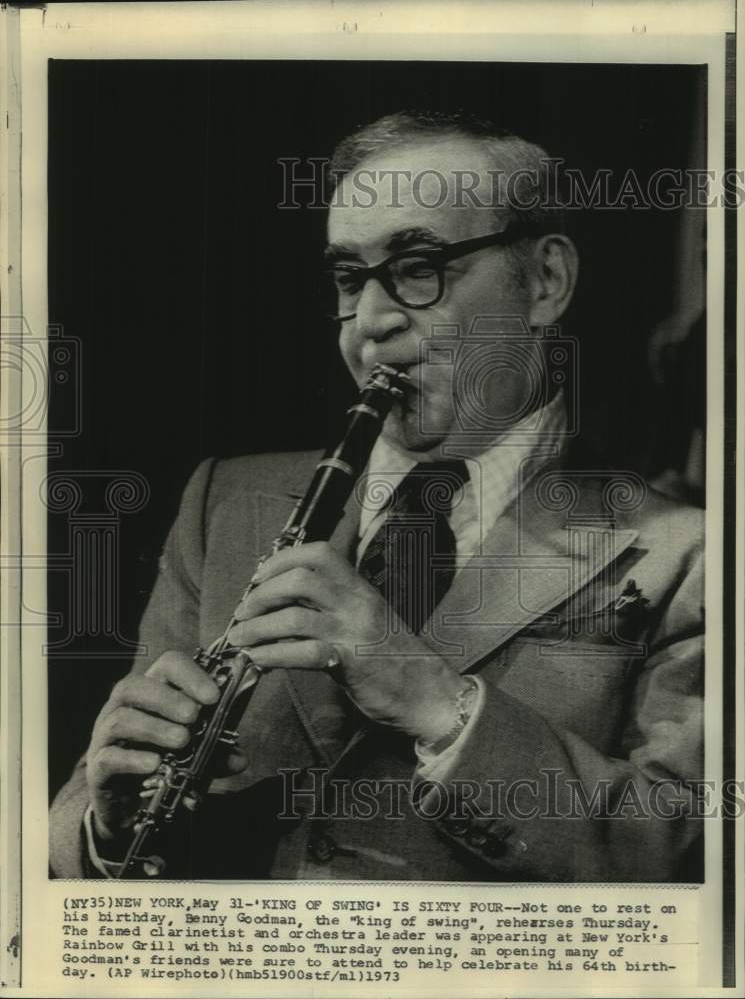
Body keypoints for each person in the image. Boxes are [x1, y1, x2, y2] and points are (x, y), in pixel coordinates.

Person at [50, 110, 704, 882]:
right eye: (349, 277)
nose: (370, 323)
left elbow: (694, 856)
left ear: (545, 282)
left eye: (419, 266)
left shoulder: (687, 552)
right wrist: (104, 827)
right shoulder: (226, 503)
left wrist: (440, 703)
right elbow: (73, 834)